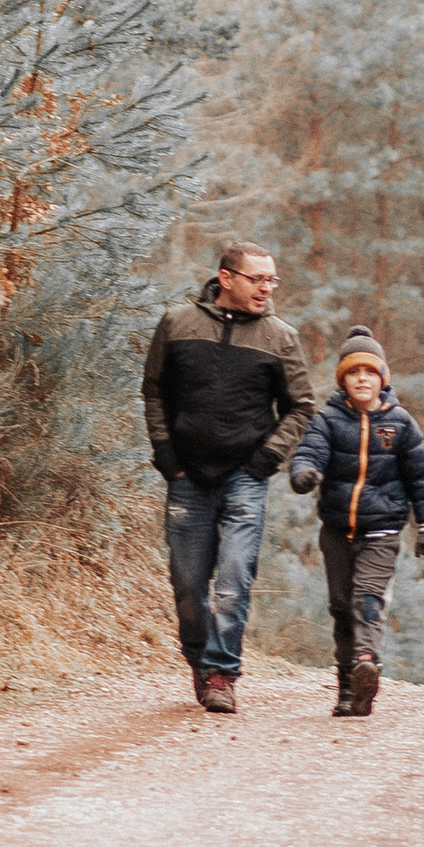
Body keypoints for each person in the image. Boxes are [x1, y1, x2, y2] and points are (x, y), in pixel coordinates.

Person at [141, 243, 315, 714]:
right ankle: (199, 659)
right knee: (189, 585)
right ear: (226, 278)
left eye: (271, 280)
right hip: (187, 477)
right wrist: (165, 454)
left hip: (245, 478)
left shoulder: (281, 337)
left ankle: (222, 673)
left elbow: (301, 406)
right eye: (257, 279)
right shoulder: (177, 324)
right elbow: (153, 390)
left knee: (234, 579)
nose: (267, 288)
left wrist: (266, 460)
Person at [289, 329, 424, 717]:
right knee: (341, 607)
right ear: (342, 379)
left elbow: (422, 478)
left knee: (367, 600)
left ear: (382, 379)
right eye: (353, 372)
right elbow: (310, 451)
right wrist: (304, 471)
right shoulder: (328, 419)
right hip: (337, 532)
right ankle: (346, 686)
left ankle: (366, 661)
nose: (362, 378)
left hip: (382, 532)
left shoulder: (401, 424)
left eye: (369, 372)